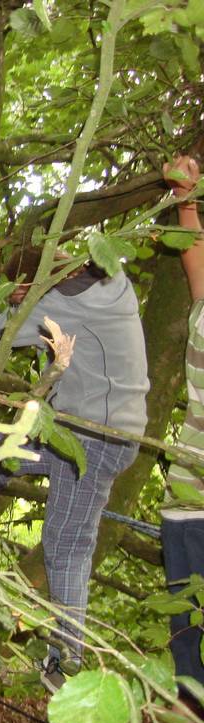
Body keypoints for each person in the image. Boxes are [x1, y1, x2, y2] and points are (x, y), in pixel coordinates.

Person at [0, 237, 149, 689]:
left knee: (67, 544)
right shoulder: (105, 284)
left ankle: (66, 662)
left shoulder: (64, 303)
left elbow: (1, 331)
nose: (19, 296)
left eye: (22, 289)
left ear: (37, 283)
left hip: (95, 439)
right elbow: (14, 309)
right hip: (75, 430)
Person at [162, 154, 204, 690]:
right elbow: (194, 256)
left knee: (189, 654)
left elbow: (195, 257)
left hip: (189, 509)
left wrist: (185, 197)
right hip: (190, 507)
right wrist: (184, 198)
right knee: (188, 655)